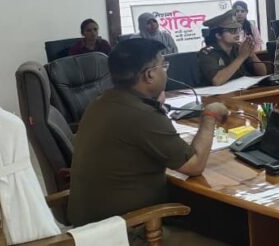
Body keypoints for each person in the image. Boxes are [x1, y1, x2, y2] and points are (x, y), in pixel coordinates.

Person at [68, 38, 230, 233]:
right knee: (230, 223)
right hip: (129, 232)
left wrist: (154, 106)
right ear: (150, 75)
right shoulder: (142, 115)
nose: (166, 71)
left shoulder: (100, 103)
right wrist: (210, 116)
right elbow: (194, 165)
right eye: (164, 65)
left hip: (90, 230)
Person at [198, 9, 267, 86]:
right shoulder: (207, 53)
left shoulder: (239, 48)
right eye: (232, 31)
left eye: (237, 30)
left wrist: (251, 54)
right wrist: (241, 57)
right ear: (218, 35)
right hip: (220, 93)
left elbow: (262, 73)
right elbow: (217, 81)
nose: (237, 34)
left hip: (242, 89)